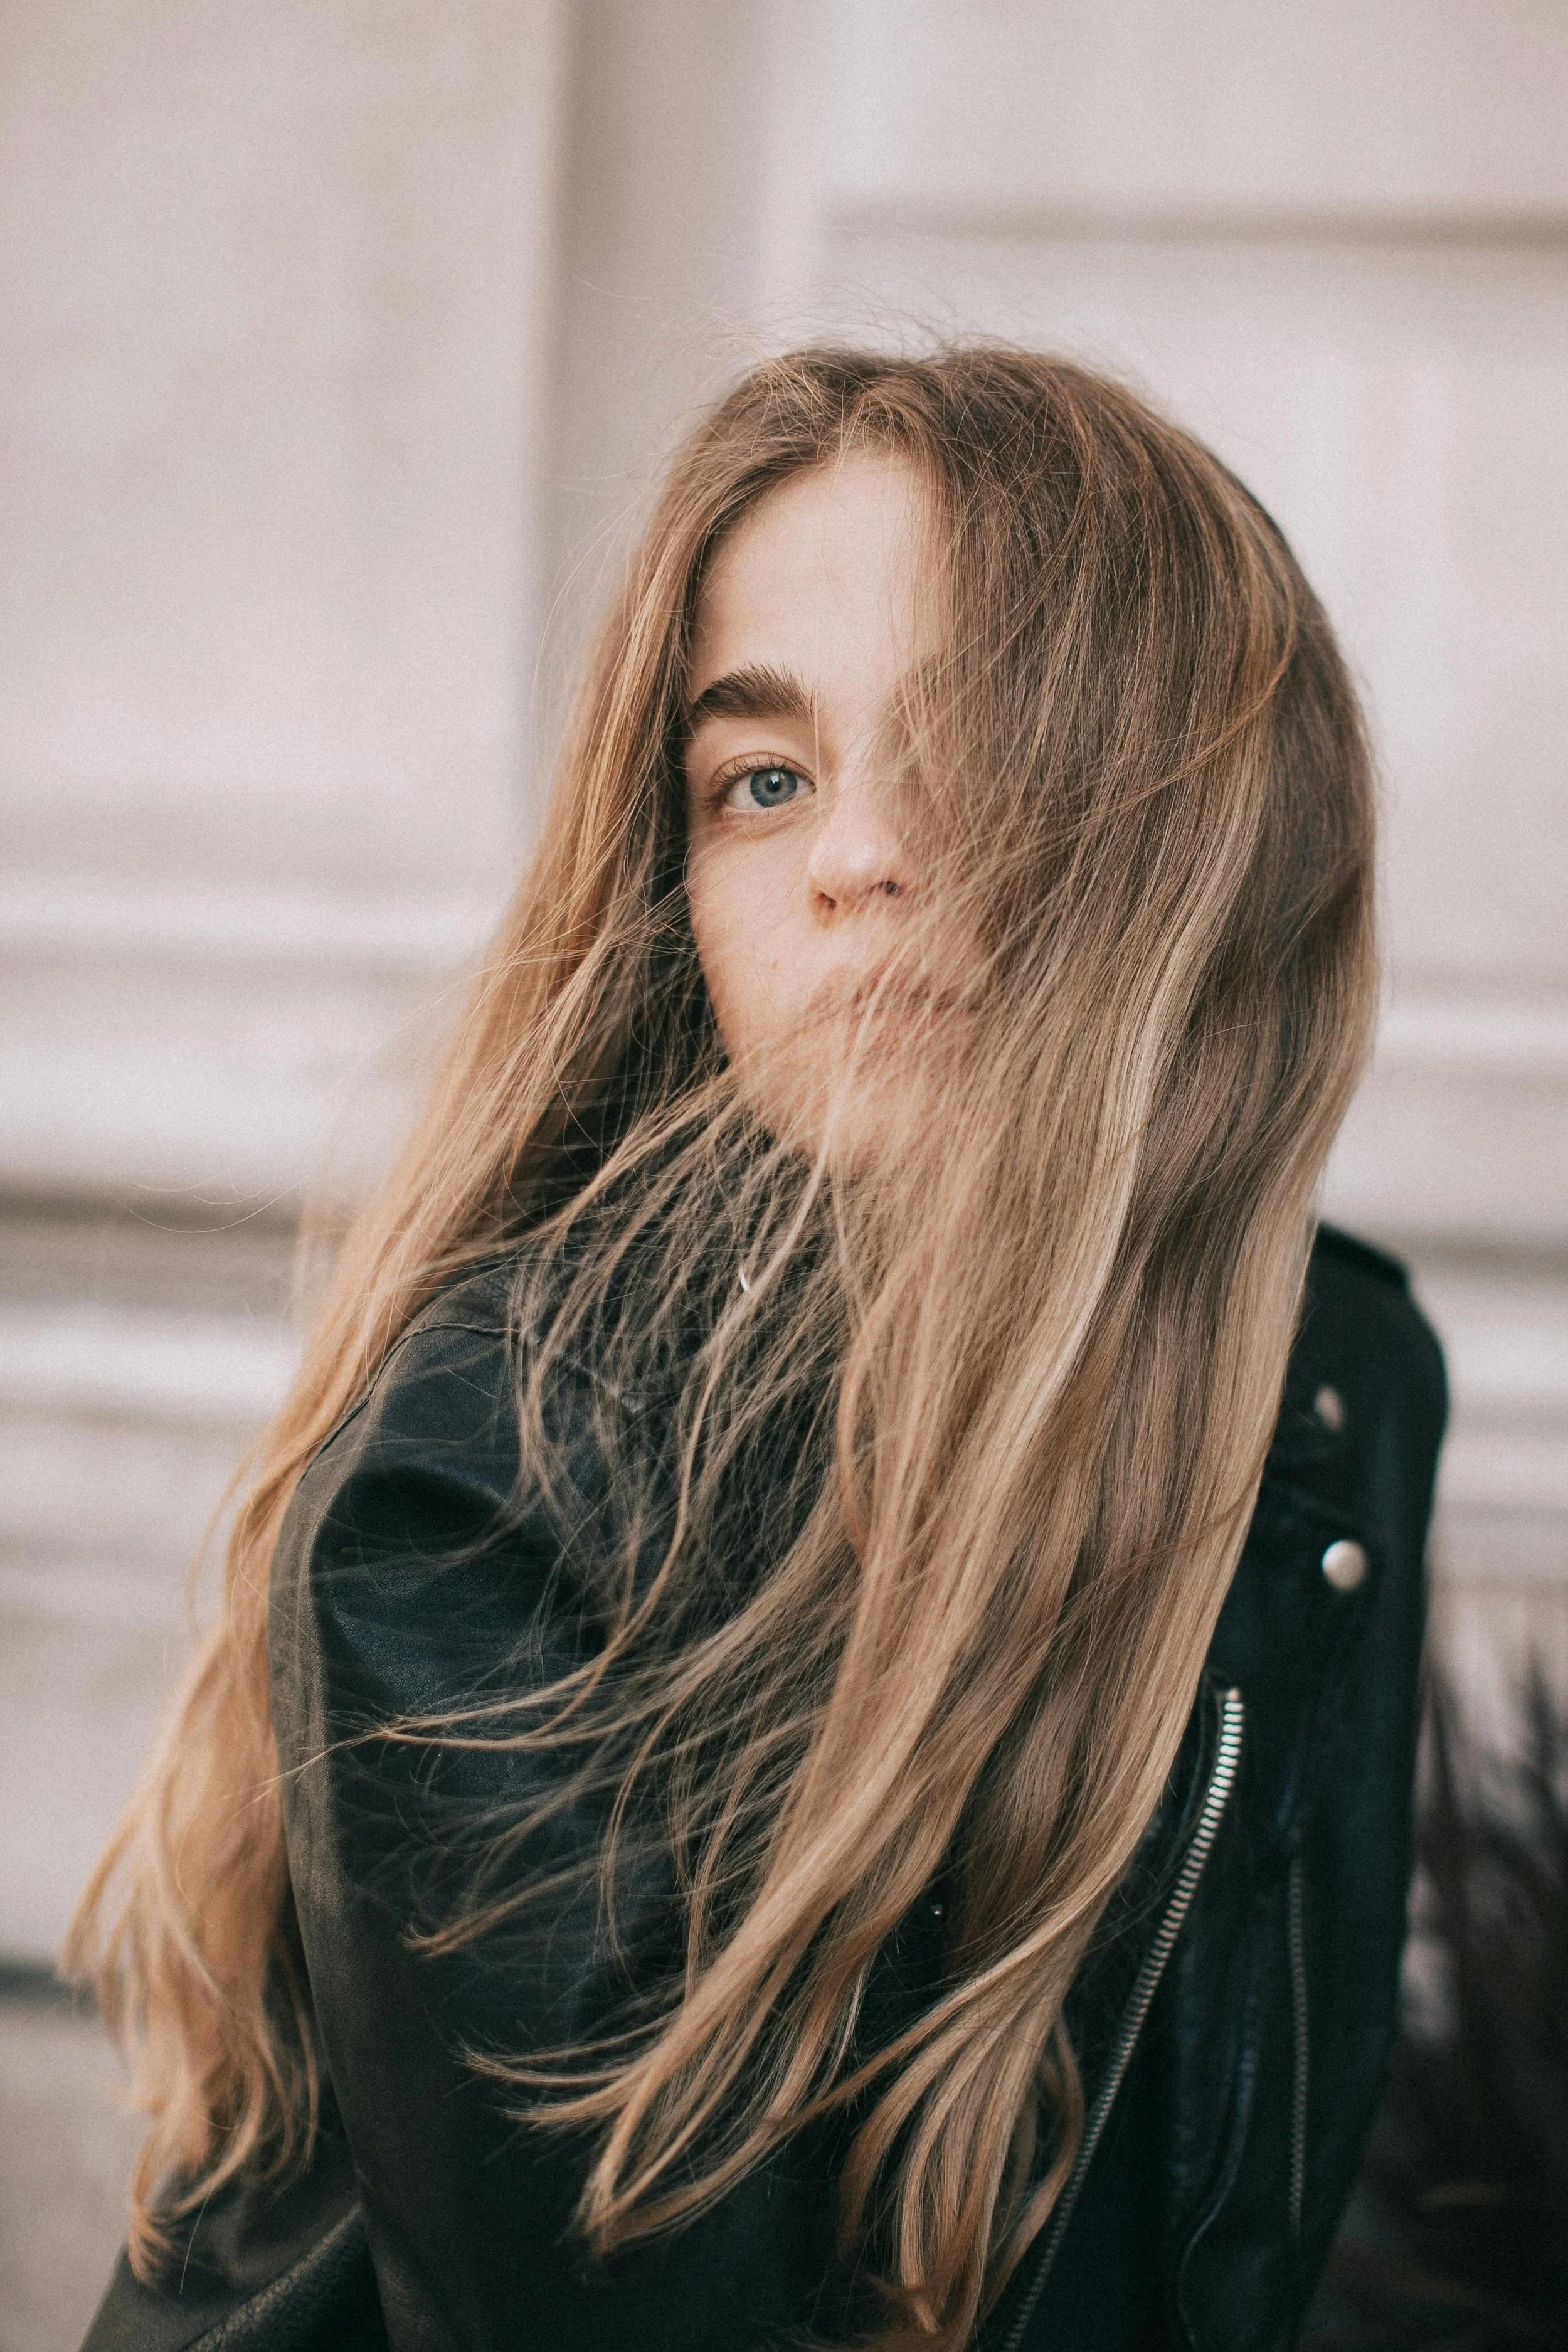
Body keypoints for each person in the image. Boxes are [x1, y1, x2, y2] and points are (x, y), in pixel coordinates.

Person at [72, 348, 1446, 2352]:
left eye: (977, 743)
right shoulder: (501, 1476)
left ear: (1205, 830)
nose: (847, 858)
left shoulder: (1335, 1387)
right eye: (762, 779)